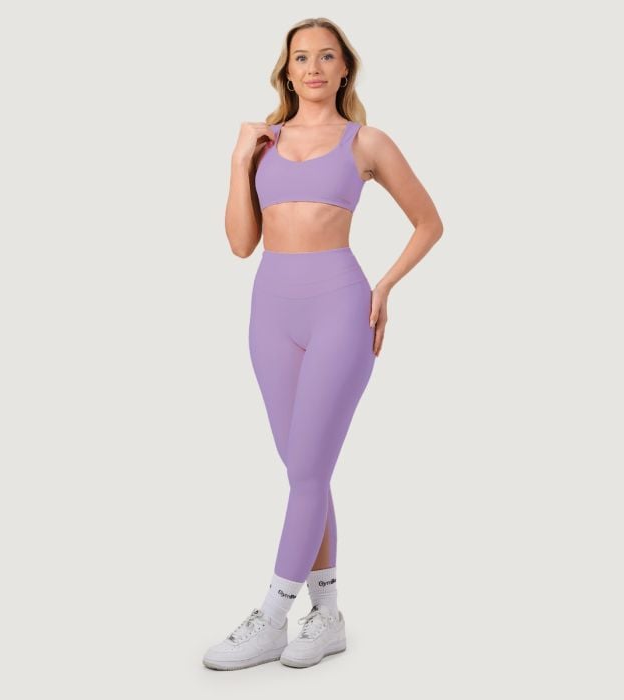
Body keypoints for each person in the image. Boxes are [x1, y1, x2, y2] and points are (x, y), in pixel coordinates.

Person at [203, 17, 443, 671]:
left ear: (344, 69)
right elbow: (240, 244)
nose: (313, 67)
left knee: (307, 471)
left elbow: (429, 222)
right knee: (304, 471)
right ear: (286, 71)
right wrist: (238, 160)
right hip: (269, 313)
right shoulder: (262, 142)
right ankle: (328, 615)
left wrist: (385, 286)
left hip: (340, 308)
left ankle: (273, 613)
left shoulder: (367, 142)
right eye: (301, 57)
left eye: (326, 56)